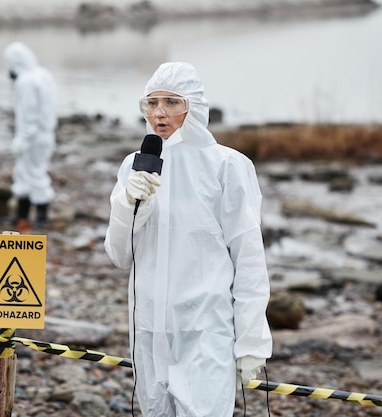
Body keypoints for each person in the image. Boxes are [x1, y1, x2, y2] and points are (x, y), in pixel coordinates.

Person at [104, 62, 272, 416]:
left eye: (171, 102)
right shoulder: (135, 167)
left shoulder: (226, 166)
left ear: (193, 106)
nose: (159, 113)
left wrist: (252, 338)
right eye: (151, 103)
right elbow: (119, 254)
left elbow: (249, 256)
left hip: (205, 331)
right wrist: (129, 205)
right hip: (149, 331)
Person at [2, 41, 57, 230]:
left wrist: (22, 139)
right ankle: (22, 214)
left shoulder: (25, 81)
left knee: (33, 173)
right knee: (27, 173)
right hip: (45, 135)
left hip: (32, 137)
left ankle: (41, 216)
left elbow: (29, 114)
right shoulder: (43, 75)